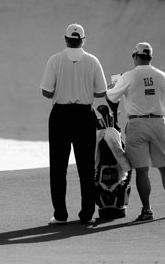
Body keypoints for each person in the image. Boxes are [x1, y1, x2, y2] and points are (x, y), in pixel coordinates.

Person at [106, 42, 165, 221]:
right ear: (150, 57)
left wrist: (114, 88)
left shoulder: (128, 76)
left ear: (135, 56)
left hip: (137, 123)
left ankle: (147, 210)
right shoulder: (162, 75)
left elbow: (110, 96)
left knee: (142, 170)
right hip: (158, 122)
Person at [40, 23, 108, 225]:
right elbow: (102, 92)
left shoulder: (55, 60)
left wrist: (62, 88)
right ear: (83, 40)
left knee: (58, 168)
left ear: (66, 39)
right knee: (86, 167)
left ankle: (61, 215)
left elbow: (45, 91)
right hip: (84, 115)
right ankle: (87, 214)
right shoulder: (92, 60)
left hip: (61, 115)